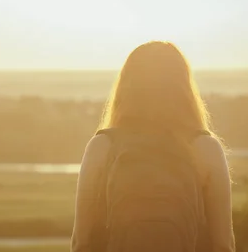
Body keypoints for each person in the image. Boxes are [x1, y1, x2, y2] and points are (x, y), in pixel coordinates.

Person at [71, 41, 235, 252]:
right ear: (184, 87)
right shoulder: (205, 149)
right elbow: (223, 244)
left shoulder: (102, 147)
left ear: (125, 87)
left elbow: (81, 242)